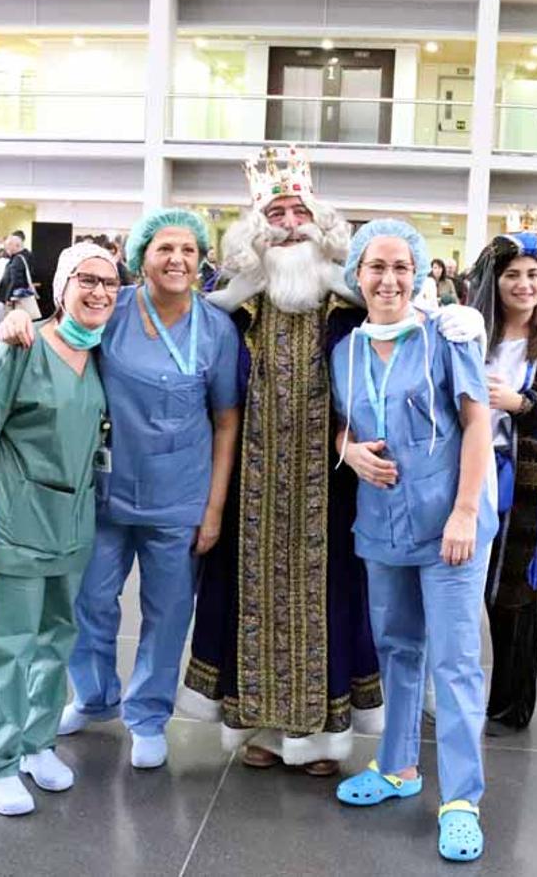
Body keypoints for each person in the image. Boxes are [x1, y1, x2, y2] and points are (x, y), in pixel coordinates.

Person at [182, 146, 484, 776]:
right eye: (276, 212)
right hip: (252, 493)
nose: (289, 223)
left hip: (339, 493)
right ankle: (259, 731)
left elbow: (404, 326)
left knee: (336, 607)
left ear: (324, 230)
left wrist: (449, 313)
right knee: (250, 605)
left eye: (300, 211)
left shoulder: (350, 308)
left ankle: (324, 739)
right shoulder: (233, 310)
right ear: (255, 232)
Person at [0, 211, 241, 770]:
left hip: (180, 496)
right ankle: (94, 695)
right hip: (104, 490)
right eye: (164, 248)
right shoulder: (116, 307)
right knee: (88, 602)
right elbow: (60, 338)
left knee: (169, 610)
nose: (176, 259)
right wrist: (17, 321)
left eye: (187, 249)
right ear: (141, 257)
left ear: (201, 259)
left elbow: (226, 419)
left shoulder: (217, 330)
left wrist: (214, 507)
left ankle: (149, 715)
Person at [330, 219, 497, 863]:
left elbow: (477, 424)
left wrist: (462, 512)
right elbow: (340, 425)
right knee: (398, 649)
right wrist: (348, 451)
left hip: (448, 524)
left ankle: (461, 800)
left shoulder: (445, 338)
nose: (389, 279)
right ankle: (398, 768)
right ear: (357, 275)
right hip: (381, 523)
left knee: (453, 663)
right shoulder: (344, 351)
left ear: (420, 273)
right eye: (377, 266)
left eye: (402, 266)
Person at [0, 242, 116, 817]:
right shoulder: (23, 346)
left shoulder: (99, 353)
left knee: (56, 639)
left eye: (110, 283)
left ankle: (38, 744)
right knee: (9, 647)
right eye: (85, 279)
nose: (98, 292)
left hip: (73, 523)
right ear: (60, 287)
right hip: (16, 521)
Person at [467, 231, 537, 736]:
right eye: (512, 274)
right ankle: (444, 693)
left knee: (514, 592)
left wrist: (520, 404)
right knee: (453, 587)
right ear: (494, 280)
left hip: (521, 481)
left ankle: (510, 703)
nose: (523, 283)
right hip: (461, 474)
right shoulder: (468, 334)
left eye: (532, 274)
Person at [0, 231, 38, 320]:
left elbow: (15, 281)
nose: (6, 249)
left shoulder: (17, 260)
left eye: (8, 246)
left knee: (13, 325)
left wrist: (8, 298)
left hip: (16, 300)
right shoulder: (26, 256)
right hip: (23, 297)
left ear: (16, 246)